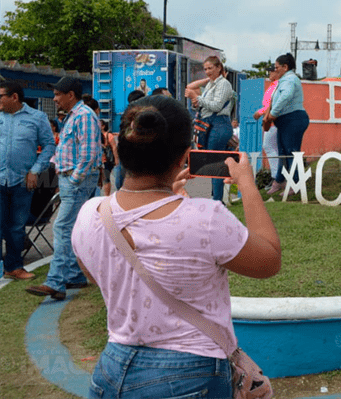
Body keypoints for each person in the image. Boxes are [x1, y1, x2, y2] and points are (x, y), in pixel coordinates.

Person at [71, 95, 281, 398]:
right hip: (189, 375)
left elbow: (99, 276)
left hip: (112, 369)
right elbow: (269, 260)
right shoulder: (204, 217)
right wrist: (246, 183)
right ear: (185, 155)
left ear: (116, 146)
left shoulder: (90, 213)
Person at [26, 77, 102, 300]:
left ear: (71, 95)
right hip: (71, 179)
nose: (55, 99)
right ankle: (73, 275)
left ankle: (55, 282)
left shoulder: (84, 116)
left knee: (62, 228)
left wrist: (75, 179)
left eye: (58, 94)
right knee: (71, 229)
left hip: (75, 181)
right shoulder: (74, 116)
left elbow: (88, 154)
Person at [0, 80, 56, 281]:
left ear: (14, 97)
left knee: (16, 227)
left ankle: (14, 267)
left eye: (0, 96)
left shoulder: (37, 117)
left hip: (23, 181)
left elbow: (49, 145)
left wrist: (35, 170)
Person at [185, 56, 235, 201]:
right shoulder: (211, 84)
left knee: (215, 163)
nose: (207, 72)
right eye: (205, 69)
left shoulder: (224, 84)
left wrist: (197, 97)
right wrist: (209, 79)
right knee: (214, 162)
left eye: (210, 68)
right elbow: (190, 86)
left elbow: (216, 106)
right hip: (211, 125)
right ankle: (217, 198)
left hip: (219, 124)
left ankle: (217, 200)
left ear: (219, 67)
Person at [263, 53, 309, 195]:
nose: (275, 70)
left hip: (292, 119)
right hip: (286, 120)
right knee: (283, 153)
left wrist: (273, 114)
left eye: (277, 67)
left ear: (285, 67)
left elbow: (285, 96)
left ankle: (295, 183)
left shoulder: (289, 79)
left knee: (291, 152)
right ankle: (280, 180)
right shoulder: (285, 79)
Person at [254, 67, 281, 189]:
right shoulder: (273, 85)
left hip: (272, 120)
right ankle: (276, 176)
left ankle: (276, 176)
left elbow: (272, 104)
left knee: (269, 146)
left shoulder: (277, 85)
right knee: (272, 148)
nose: (269, 73)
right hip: (269, 120)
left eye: (271, 71)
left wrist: (260, 112)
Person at [101, 121, 119, 197]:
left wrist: (116, 159)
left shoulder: (109, 135)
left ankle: (106, 196)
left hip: (106, 160)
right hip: (100, 160)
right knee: (103, 179)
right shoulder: (96, 135)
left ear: (103, 126)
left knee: (106, 178)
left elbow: (114, 148)